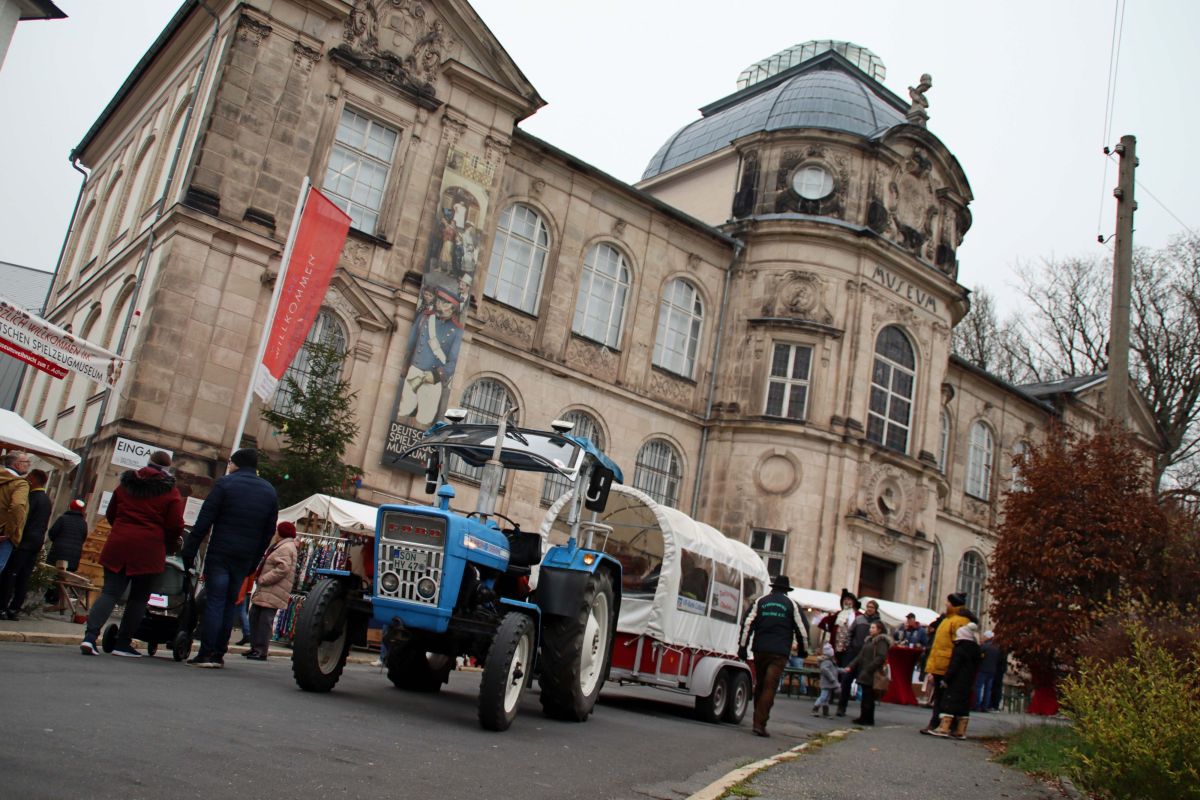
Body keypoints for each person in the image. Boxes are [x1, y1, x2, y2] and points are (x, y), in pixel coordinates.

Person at [79, 451, 185, 657]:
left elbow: (111, 512)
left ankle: (90, 638)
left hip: (119, 543)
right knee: (138, 598)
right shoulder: (170, 492)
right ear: (167, 469)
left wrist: (121, 528)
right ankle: (122, 643)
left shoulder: (126, 484)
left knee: (110, 592)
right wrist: (170, 543)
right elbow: (175, 525)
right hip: (149, 547)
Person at [180, 448, 278, 668]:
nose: (229, 466)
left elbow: (205, 520)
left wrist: (190, 549)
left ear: (237, 464)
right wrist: (255, 560)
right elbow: (268, 531)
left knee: (215, 600)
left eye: (231, 462)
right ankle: (218, 654)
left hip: (221, 551)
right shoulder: (269, 491)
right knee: (230, 604)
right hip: (245, 556)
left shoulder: (225, 484)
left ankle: (206, 653)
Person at [738, 573, 810, 737]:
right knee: (770, 687)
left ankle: (757, 720)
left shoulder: (760, 602)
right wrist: (803, 650)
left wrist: (743, 647)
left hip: (760, 649)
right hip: (779, 652)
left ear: (773, 587)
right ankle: (760, 723)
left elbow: (747, 624)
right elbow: (802, 630)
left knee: (761, 684)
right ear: (786, 590)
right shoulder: (792, 605)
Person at [396, 289, 464, 426]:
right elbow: (409, 343)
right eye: (439, 301)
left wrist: (437, 375)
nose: (440, 305)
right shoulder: (425, 318)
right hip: (414, 371)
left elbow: (452, 362)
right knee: (401, 412)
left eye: (445, 303)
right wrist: (403, 365)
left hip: (433, 379)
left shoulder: (457, 331)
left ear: (453, 308)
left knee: (425, 420)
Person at [0, 469, 51, 618]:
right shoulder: (46, 500)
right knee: (24, 576)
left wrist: (12, 533)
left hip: (24, 541)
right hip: (36, 542)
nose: (27, 480)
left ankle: (2, 607)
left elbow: (22, 516)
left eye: (29, 477)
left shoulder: (32, 497)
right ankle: (15, 608)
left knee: (10, 574)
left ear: (34, 480)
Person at [244, 521, 299, 661]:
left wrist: (264, 579)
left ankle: (260, 650)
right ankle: (255, 648)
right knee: (255, 616)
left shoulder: (285, 547)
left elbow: (282, 568)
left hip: (272, 590)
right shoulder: (283, 546)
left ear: (281, 532)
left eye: (277, 530)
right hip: (269, 590)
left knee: (263, 621)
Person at [919, 593, 972, 734]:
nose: (946, 605)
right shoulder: (947, 620)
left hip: (947, 664)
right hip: (940, 663)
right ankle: (936, 722)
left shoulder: (959, 621)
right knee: (939, 696)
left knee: (945, 697)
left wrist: (952, 665)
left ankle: (942, 724)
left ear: (954, 604)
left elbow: (959, 643)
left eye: (948, 603)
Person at [931, 622, 983, 738]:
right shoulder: (976, 649)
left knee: (949, 703)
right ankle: (960, 730)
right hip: (969, 680)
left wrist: (946, 679)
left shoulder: (960, 648)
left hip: (956, 680)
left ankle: (944, 728)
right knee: (963, 705)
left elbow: (954, 666)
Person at [834, 598, 879, 717]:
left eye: (872, 607)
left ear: (875, 609)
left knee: (865, 684)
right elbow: (849, 633)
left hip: (868, 656)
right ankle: (841, 707)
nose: (869, 609)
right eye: (868, 606)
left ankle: (864, 713)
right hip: (853, 654)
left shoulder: (878, 623)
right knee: (846, 680)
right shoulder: (859, 620)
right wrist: (848, 646)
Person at [842, 620, 890, 725]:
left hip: (873, 672)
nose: (870, 630)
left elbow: (881, 657)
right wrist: (851, 666)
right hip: (865, 671)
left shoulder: (881, 641)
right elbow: (860, 655)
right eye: (870, 628)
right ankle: (864, 717)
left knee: (869, 697)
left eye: (873, 628)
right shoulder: (869, 640)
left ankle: (867, 718)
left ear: (879, 630)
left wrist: (869, 668)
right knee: (865, 696)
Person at [44, 499, 89, 612]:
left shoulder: (63, 519)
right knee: (65, 577)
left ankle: (53, 599)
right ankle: (58, 599)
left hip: (58, 554)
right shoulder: (83, 523)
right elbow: (83, 538)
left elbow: (52, 533)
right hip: (74, 556)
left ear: (70, 507)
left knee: (55, 575)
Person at [0, 452, 31, 574]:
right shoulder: (20, 484)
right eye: (26, 462)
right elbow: (18, 506)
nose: (29, 465)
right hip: (3, 534)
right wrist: (9, 532)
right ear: (17, 465)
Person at [975, 630, 1002, 712]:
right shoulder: (997, 648)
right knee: (988, 689)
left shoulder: (984, 647)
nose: (982, 637)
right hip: (992, 671)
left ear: (987, 637)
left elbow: (978, 656)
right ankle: (985, 706)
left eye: (984, 636)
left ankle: (977, 705)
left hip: (983, 669)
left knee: (978, 687)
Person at [811, 642, 839, 718]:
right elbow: (824, 669)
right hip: (826, 683)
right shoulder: (826, 661)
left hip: (829, 683)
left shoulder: (830, 661)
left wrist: (843, 670)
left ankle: (825, 712)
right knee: (823, 696)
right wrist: (832, 678)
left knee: (826, 698)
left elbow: (835, 670)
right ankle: (815, 709)